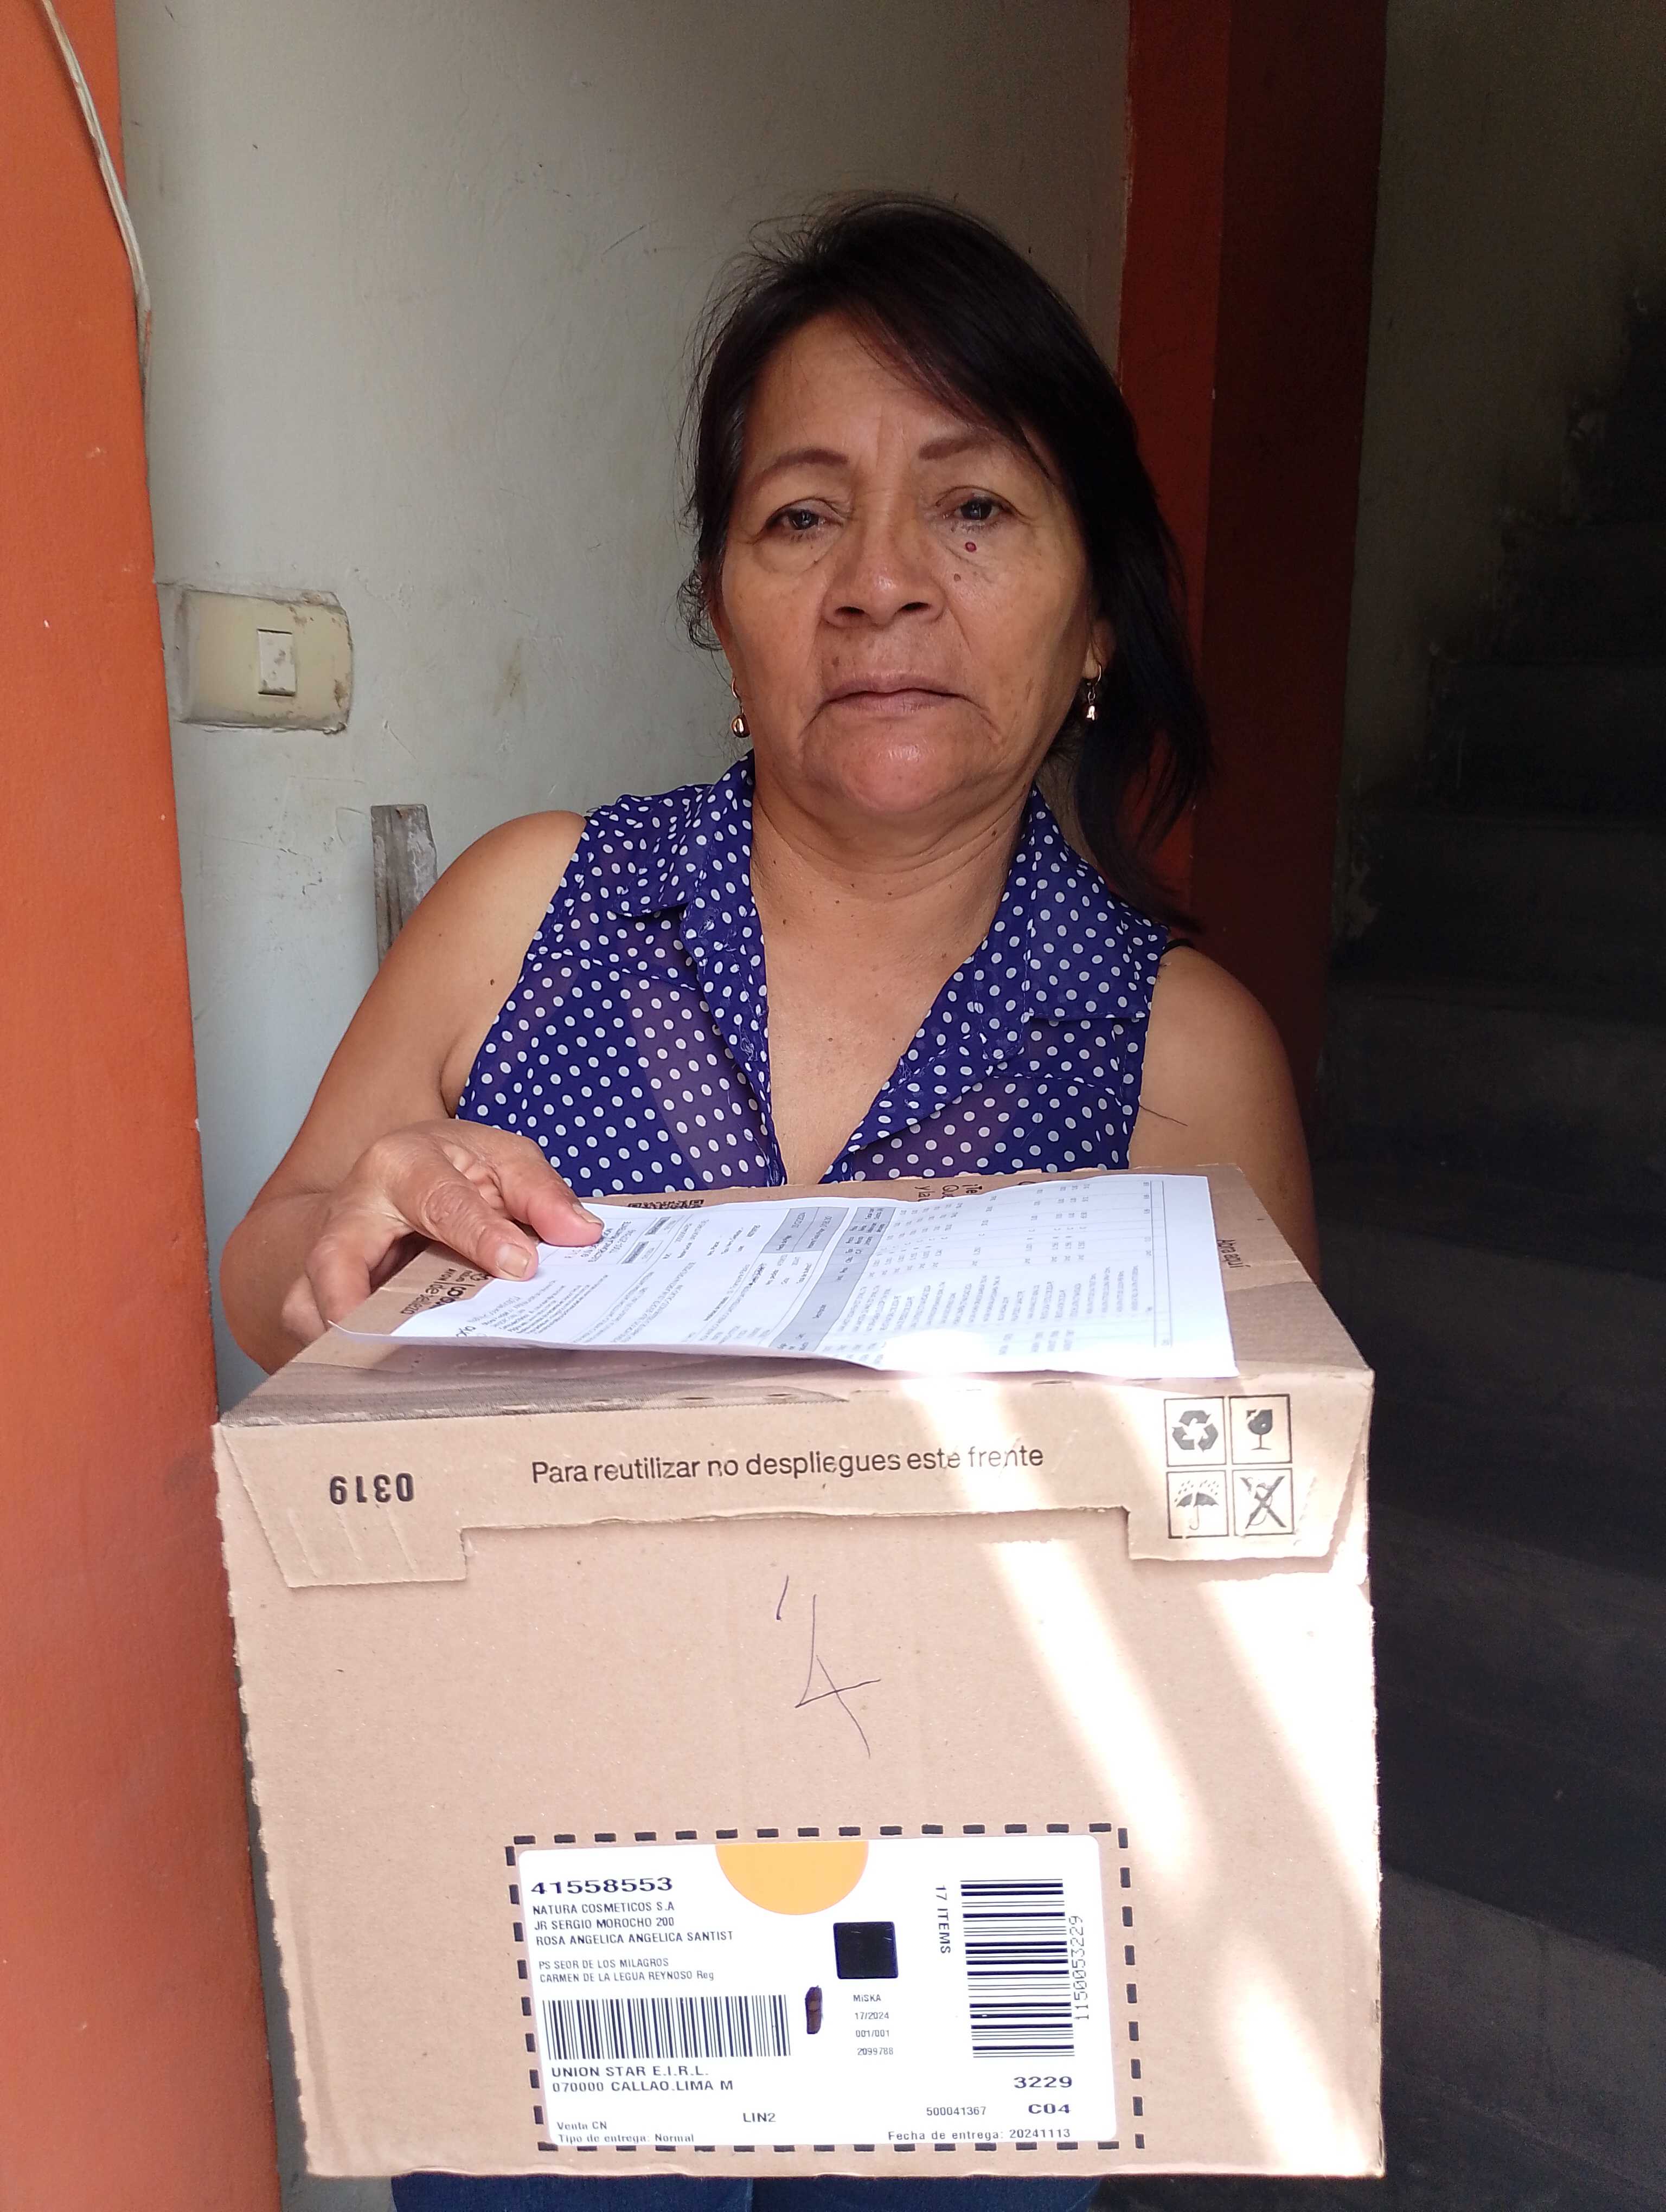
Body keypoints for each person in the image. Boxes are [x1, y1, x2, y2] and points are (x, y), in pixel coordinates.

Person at [222, 196, 1316, 2210]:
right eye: (802, 516)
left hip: (961, 1975)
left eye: (972, 509)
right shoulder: (531, 911)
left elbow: (1245, 1564)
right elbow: (276, 1254)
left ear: (1096, 617)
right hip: (537, 1916)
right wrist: (335, 1250)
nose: (881, 582)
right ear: (721, 610)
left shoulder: (1186, 1054)